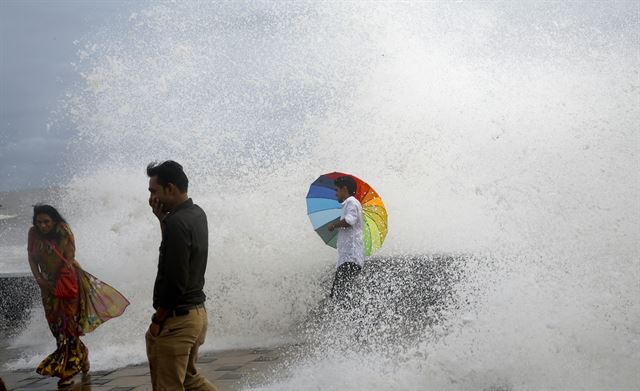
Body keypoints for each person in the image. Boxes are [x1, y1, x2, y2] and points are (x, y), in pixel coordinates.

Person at [27, 204, 129, 388]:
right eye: (39, 222)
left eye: (46, 222)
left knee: (68, 327)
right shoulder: (33, 233)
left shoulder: (63, 231)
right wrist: (39, 278)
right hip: (46, 287)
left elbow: (69, 260)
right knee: (56, 328)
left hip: (67, 282)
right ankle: (82, 354)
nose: (42, 225)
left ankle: (66, 372)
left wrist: (56, 285)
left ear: (54, 221)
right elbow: (31, 257)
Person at [145, 161, 218, 391]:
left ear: (170, 188)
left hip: (178, 319)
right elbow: (179, 252)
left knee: (169, 386)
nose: (151, 197)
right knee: (190, 380)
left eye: (153, 191)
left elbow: (176, 280)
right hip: (196, 314)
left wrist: (159, 318)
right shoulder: (196, 213)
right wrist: (162, 220)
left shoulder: (177, 222)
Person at [327, 175, 365, 300]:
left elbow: (349, 221)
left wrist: (334, 224)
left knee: (338, 295)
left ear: (344, 189)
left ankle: (348, 317)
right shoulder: (348, 204)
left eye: (337, 190)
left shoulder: (351, 202)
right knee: (341, 295)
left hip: (350, 258)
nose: (336, 194)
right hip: (347, 259)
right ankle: (351, 316)